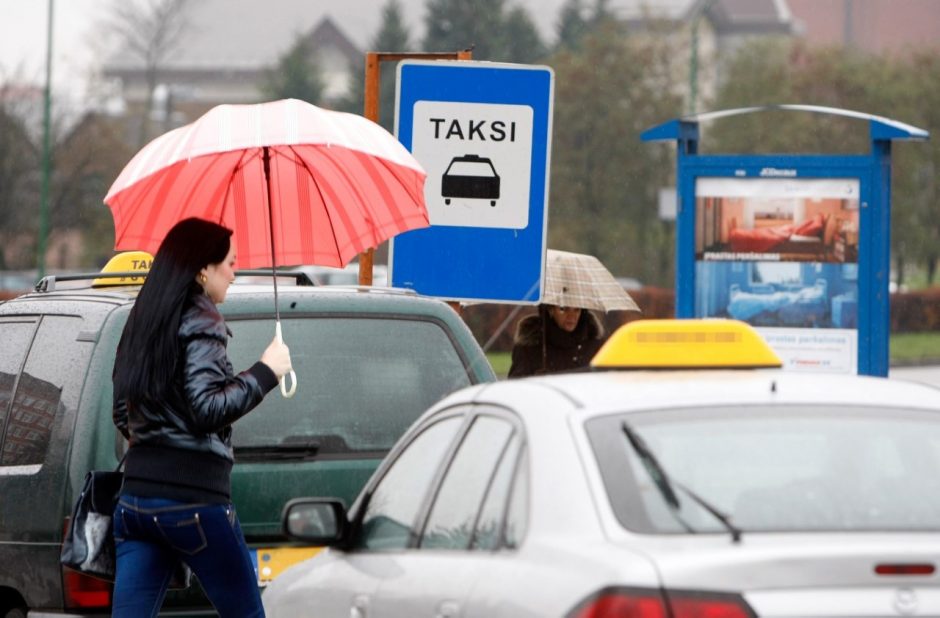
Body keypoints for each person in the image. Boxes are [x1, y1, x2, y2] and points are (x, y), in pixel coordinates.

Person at [111, 218, 292, 617]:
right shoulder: (203, 317)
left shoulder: (143, 319)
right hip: (194, 502)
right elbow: (206, 408)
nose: (235, 271)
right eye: (229, 262)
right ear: (202, 269)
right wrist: (266, 371)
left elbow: (122, 411)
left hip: (136, 504)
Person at [508, 304, 606, 378]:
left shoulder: (594, 344)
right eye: (563, 309)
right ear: (550, 310)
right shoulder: (530, 346)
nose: (571, 317)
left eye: (577, 310)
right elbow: (515, 390)